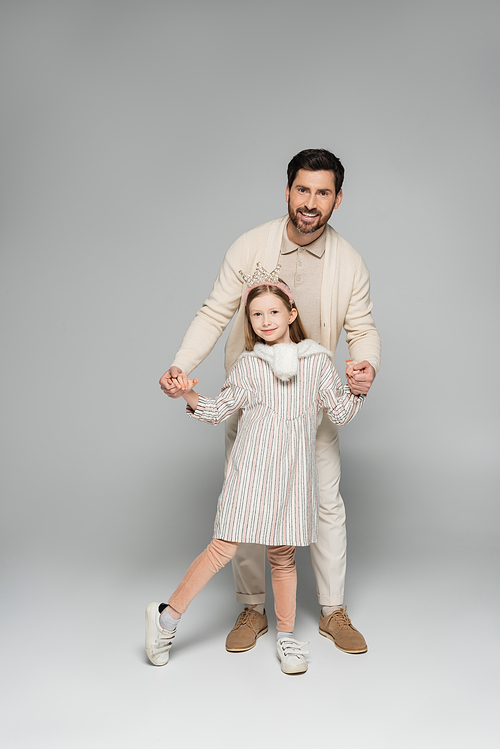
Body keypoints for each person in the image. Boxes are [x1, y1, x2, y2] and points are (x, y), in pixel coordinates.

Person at [160, 149, 381, 655]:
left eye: (322, 192)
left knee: (326, 503)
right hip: (252, 400)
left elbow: (363, 329)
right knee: (245, 511)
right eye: (302, 190)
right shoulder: (250, 246)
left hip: (312, 405)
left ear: (337, 199)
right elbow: (215, 312)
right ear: (287, 191)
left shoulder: (349, 263)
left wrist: (364, 365)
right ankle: (252, 607)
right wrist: (182, 366)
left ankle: (333, 610)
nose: (310, 202)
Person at [146, 274, 364, 674]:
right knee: (222, 548)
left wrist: (357, 388)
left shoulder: (316, 362)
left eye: (274, 312)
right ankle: (165, 619)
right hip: (250, 473)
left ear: (291, 313)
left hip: (293, 476)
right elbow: (216, 411)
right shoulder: (248, 365)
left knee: (283, 557)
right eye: (256, 314)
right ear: (250, 321)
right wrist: (187, 394)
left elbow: (341, 413)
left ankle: (286, 637)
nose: (265, 320)